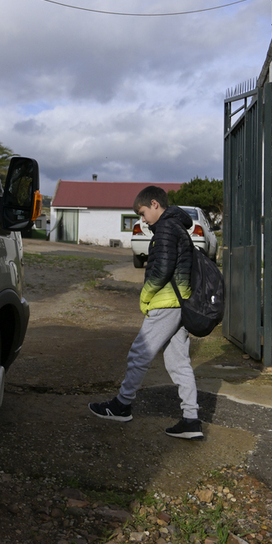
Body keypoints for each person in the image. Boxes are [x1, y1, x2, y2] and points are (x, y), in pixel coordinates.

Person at [88, 186, 203, 439]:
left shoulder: (165, 228)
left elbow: (161, 269)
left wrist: (145, 296)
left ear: (154, 204)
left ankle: (122, 405)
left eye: (142, 213)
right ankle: (191, 420)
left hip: (165, 303)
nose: (142, 219)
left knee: (140, 353)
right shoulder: (178, 227)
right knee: (178, 361)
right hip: (180, 303)